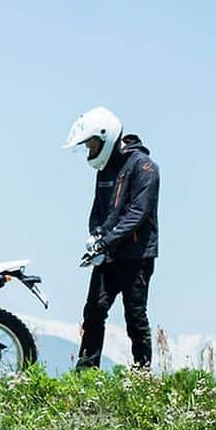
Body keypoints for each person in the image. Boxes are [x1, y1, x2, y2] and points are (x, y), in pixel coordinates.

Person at [63, 106, 160, 370]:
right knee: (94, 310)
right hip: (108, 254)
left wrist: (106, 242)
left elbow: (137, 213)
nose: (89, 150)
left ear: (106, 137)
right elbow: (98, 209)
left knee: (135, 316)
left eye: (91, 144)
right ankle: (86, 374)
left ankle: (142, 375)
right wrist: (96, 234)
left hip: (137, 255)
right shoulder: (104, 169)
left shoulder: (145, 167)